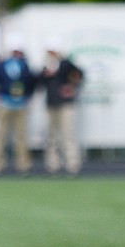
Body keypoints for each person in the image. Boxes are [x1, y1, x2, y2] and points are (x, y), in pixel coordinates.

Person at [0, 37, 36, 175]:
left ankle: (23, 164)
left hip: (20, 104)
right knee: (0, 135)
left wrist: (28, 95)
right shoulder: (2, 65)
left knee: (21, 136)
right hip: (5, 103)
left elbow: (32, 82)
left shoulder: (25, 66)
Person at [39, 40, 84, 176]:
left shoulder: (67, 64)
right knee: (51, 136)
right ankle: (53, 164)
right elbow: (40, 81)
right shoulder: (47, 66)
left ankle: (72, 164)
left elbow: (79, 75)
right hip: (51, 103)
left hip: (65, 104)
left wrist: (71, 86)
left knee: (67, 134)